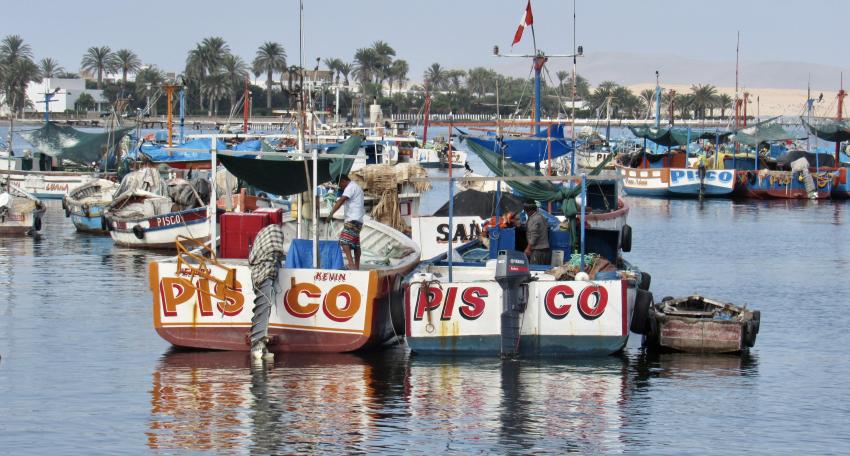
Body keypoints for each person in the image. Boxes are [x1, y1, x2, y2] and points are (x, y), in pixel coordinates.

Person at [327, 174, 365, 270]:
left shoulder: (350, 187)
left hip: (352, 219)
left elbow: (341, 200)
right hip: (358, 219)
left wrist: (331, 214)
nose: (341, 188)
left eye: (340, 185)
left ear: (343, 181)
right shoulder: (357, 187)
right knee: (356, 245)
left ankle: (351, 264)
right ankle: (357, 266)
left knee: (343, 241)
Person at [522, 200, 551, 265]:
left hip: (537, 251)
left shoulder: (534, 219)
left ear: (530, 211)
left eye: (526, 212)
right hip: (544, 250)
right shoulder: (540, 216)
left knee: (535, 271)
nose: (526, 213)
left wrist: (528, 249)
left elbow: (534, 235)